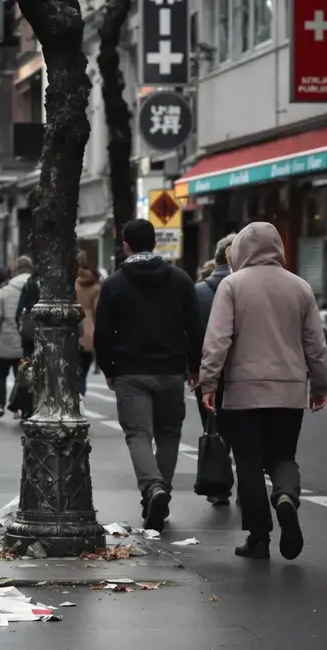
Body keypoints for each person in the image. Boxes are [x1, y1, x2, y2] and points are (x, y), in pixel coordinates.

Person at [198, 221, 327, 561]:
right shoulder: (300, 287)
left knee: (249, 463)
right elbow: (316, 344)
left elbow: (218, 340)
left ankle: (259, 538)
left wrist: (209, 382)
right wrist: (319, 385)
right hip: (288, 390)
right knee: (283, 456)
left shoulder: (232, 286)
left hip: (243, 392)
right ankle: (285, 495)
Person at [94, 219, 202, 532]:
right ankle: (160, 491)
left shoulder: (114, 283)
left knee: (138, 434)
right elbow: (194, 327)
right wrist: (194, 366)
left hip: (131, 370)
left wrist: (109, 368)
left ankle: (152, 488)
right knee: (169, 434)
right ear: (154, 242)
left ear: (126, 245)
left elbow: (103, 332)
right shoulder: (180, 280)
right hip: (170, 370)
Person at [193, 234, 236, 505]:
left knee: (214, 427)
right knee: (246, 431)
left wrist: (194, 369)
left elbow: (191, 332)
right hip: (246, 373)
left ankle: (218, 487)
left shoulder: (198, 292)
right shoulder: (251, 289)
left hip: (207, 370)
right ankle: (249, 486)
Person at [0, 255, 32, 421]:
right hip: (27, 342)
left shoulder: (4, 291)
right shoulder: (38, 287)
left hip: (5, 341)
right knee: (24, 376)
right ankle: (23, 408)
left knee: (0, 376)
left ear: (15, 270)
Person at [75, 252, 101, 396]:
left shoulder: (70, 283)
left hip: (71, 329)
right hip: (89, 332)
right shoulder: (96, 286)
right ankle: (81, 400)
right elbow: (98, 310)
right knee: (83, 373)